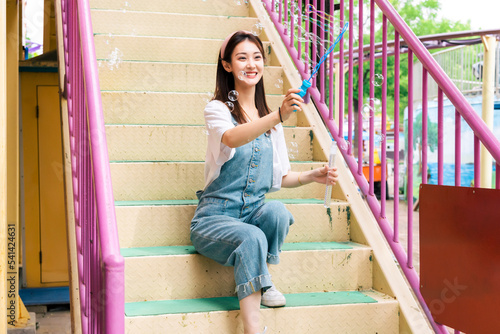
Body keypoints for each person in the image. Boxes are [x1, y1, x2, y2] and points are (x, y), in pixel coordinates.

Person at [190, 30, 339, 334]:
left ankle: (261, 278)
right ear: (227, 65)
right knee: (253, 237)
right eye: (241, 57)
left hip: (251, 212)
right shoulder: (217, 109)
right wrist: (278, 116)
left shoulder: (272, 121)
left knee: (278, 212)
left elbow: (281, 178)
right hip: (214, 218)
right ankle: (252, 329)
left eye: (257, 57)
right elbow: (231, 137)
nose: (251, 64)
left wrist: (313, 176)